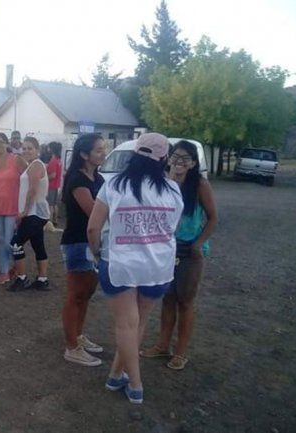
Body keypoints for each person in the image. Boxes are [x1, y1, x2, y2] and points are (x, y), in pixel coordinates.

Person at [87, 133, 184, 404]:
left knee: (127, 325)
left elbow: (93, 227)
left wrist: (96, 253)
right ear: (163, 159)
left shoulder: (113, 185)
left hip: (120, 263)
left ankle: (136, 384)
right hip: (158, 265)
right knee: (137, 324)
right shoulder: (173, 189)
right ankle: (116, 375)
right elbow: (171, 228)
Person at [141, 140, 217, 370]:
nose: (179, 162)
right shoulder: (163, 183)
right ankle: (162, 345)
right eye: (175, 156)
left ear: (193, 163)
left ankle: (180, 352)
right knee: (167, 298)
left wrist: (198, 244)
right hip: (166, 249)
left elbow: (213, 218)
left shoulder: (200, 185)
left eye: (185, 158)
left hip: (189, 251)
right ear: (168, 158)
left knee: (185, 301)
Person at [59, 134, 107, 366]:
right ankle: (71, 347)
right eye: (98, 150)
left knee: (86, 293)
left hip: (92, 243)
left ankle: (78, 336)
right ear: (84, 154)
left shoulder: (96, 177)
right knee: (76, 294)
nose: (103, 153)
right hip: (77, 242)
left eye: (103, 149)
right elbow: (93, 211)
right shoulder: (78, 179)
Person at [7, 136, 51, 292]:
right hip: (36, 213)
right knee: (38, 244)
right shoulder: (31, 165)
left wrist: (24, 211)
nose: (26, 150)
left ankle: (22, 278)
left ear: (37, 150)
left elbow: (32, 190)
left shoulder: (36, 166)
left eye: (30, 148)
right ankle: (42, 279)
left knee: (16, 244)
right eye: (24, 148)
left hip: (34, 213)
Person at [0, 133, 26, 285]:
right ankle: (5, 271)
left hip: (12, 207)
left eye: (1, 142)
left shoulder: (16, 159)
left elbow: (28, 177)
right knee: (1, 240)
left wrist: (25, 204)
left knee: (9, 240)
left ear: (7, 143)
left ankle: (15, 266)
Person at [46, 142, 63, 230]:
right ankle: (55, 219)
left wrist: (45, 178)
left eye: (49, 148)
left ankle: (49, 221)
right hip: (57, 185)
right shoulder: (58, 160)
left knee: (50, 204)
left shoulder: (53, 160)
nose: (48, 149)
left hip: (51, 185)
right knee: (55, 204)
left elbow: (53, 175)